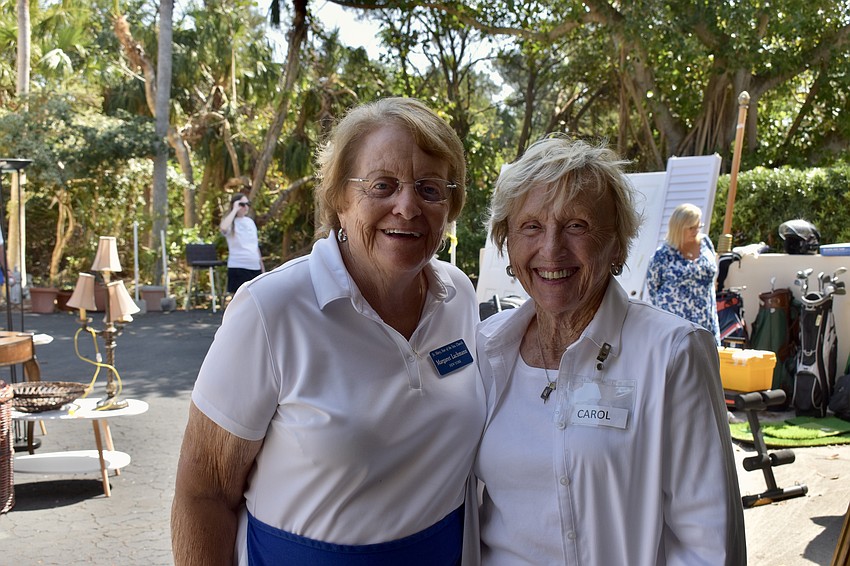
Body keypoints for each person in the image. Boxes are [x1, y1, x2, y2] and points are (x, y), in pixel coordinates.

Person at [171, 97, 485, 565]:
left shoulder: (457, 295)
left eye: (429, 189)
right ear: (339, 199)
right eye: (382, 185)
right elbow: (205, 494)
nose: (407, 206)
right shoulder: (270, 310)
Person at [474, 137, 745, 564]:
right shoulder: (487, 347)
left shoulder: (672, 353)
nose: (551, 249)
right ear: (507, 242)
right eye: (531, 226)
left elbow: (709, 541)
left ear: (617, 245)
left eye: (577, 225)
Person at [646, 203, 721, 345]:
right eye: (691, 228)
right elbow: (652, 288)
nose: (696, 231)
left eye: (698, 226)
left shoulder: (705, 243)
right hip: (674, 327)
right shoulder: (663, 254)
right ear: (678, 228)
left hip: (705, 321)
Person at [219, 192, 264, 295]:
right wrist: (234, 209)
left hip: (254, 266)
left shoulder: (250, 222)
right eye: (242, 204)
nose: (245, 207)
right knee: (238, 299)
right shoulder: (231, 222)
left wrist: (262, 267)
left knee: (255, 299)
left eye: (247, 204)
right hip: (238, 266)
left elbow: (255, 246)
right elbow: (223, 228)